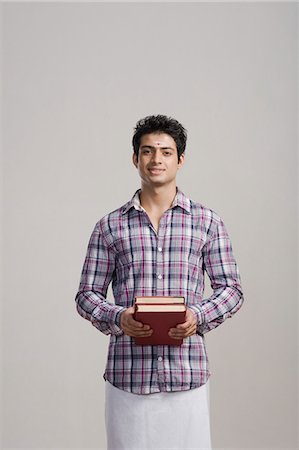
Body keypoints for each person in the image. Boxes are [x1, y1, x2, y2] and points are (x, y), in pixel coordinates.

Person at [75, 114, 244, 450]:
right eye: (148, 151)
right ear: (135, 158)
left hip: (187, 376)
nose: (156, 160)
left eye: (166, 152)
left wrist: (198, 316)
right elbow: (86, 295)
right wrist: (119, 318)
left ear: (181, 160)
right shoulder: (110, 226)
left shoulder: (207, 222)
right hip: (128, 378)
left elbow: (231, 289)